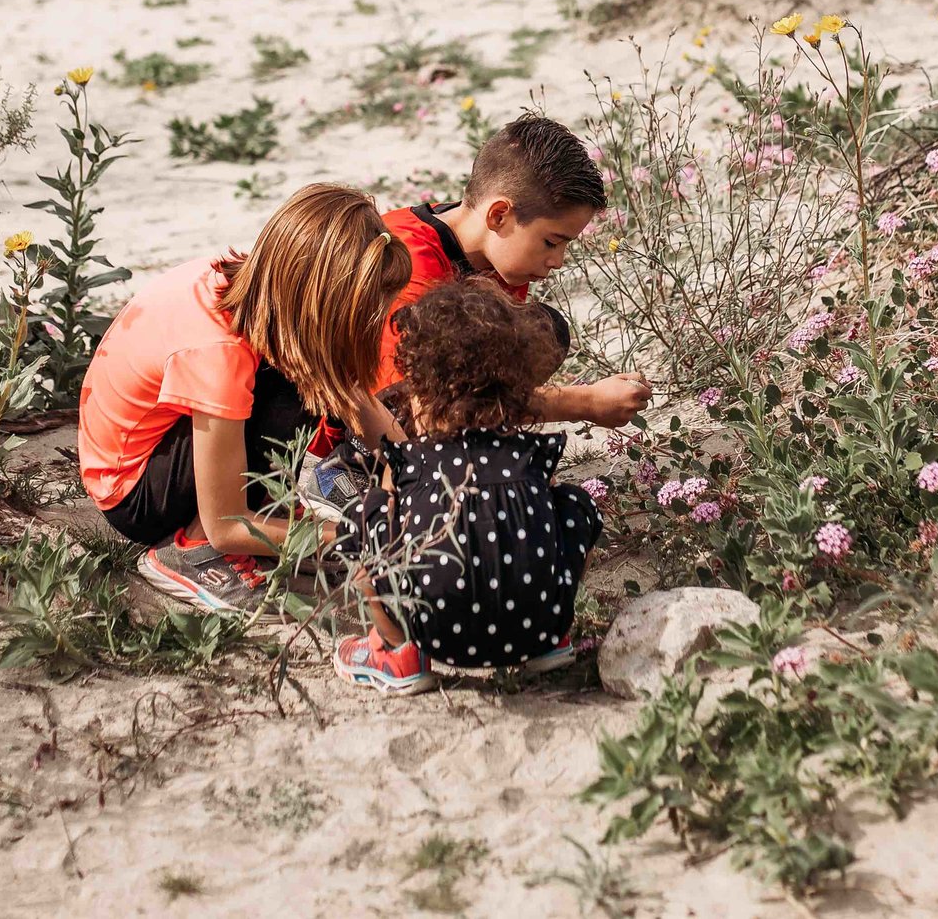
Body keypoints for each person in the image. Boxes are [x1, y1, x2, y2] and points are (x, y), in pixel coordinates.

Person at [78, 183, 411, 612]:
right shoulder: (218, 355)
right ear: (317, 299)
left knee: (311, 369)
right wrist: (359, 537)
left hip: (143, 446)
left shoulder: (258, 284)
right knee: (296, 395)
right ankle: (189, 552)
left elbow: (352, 394)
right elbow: (227, 525)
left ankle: (265, 519)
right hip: (133, 492)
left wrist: (414, 465)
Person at [304, 112, 650, 515]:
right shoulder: (406, 265)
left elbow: (483, 378)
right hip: (350, 415)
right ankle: (351, 472)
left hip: (423, 404)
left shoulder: (497, 255)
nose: (558, 260)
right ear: (499, 215)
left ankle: (464, 463)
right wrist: (584, 404)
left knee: (542, 331)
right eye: (552, 241)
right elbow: (424, 404)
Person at [332, 277, 604, 695]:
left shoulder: (413, 461)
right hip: (538, 627)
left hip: (436, 633)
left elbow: (388, 515)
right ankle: (555, 643)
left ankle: (395, 650)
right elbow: (538, 517)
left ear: (421, 390)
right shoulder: (528, 452)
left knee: (362, 518)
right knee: (573, 502)